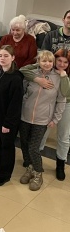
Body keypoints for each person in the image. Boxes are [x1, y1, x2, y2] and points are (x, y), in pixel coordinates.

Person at [20, 49, 70, 181]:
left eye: (49, 61)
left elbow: (62, 99)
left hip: (43, 119)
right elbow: (23, 70)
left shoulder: (58, 78)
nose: (47, 63)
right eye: (44, 61)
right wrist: (38, 73)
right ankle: (30, 167)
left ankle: (38, 172)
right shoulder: (32, 74)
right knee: (24, 143)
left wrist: (56, 118)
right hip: (26, 115)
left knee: (34, 147)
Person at [0, 45, 24, 187]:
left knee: (7, 147)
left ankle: (4, 174)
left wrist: (7, 124)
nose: (2, 58)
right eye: (0, 55)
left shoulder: (16, 78)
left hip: (8, 121)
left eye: (6, 56)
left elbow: (15, 104)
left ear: (13, 58)